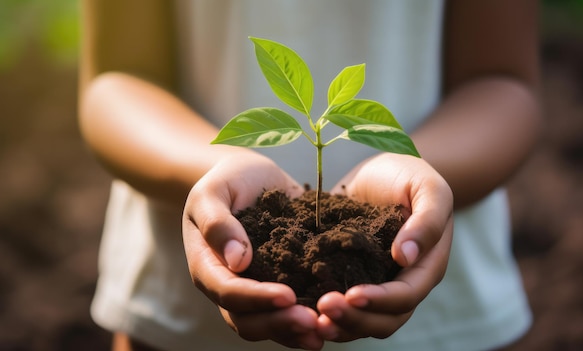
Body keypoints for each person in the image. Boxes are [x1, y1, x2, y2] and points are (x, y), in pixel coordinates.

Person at [79, 0, 541, 350]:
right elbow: (117, 77)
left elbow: (502, 79)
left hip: (450, 320)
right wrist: (215, 171)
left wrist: (422, 176)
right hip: (179, 312)